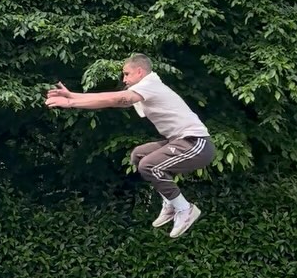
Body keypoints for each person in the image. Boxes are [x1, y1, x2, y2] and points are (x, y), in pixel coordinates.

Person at [45, 54, 215, 238]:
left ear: (140, 72)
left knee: (149, 165)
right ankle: (170, 202)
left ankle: (185, 209)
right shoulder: (147, 88)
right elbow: (113, 98)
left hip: (196, 142)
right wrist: (73, 96)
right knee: (138, 155)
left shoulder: (150, 85)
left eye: (126, 74)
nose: (124, 79)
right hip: (178, 141)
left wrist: (71, 102)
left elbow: (116, 99)